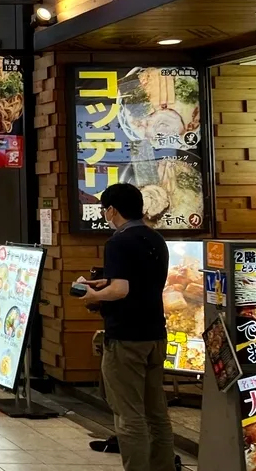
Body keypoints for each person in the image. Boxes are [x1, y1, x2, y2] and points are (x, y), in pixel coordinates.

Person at [76, 183, 174, 471]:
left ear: (112, 210)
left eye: (106, 209)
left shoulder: (118, 242)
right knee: (157, 413)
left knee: (129, 414)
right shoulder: (156, 239)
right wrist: (103, 284)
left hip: (126, 337)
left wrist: (92, 295)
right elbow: (140, 283)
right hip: (155, 334)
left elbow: (120, 289)